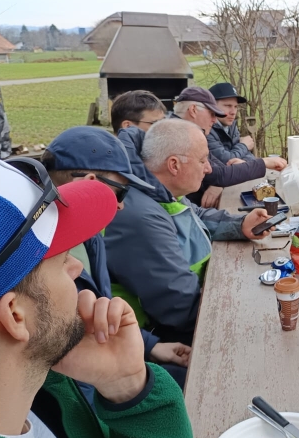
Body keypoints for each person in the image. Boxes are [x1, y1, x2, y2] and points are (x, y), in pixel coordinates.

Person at [0, 154, 193, 438]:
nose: (76, 267)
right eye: (62, 258)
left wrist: (125, 385)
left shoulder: (35, 396)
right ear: (15, 315)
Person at [41, 127, 191, 389]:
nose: (121, 205)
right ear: (88, 184)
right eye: (121, 192)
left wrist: (152, 346)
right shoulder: (39, 259)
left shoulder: (90, 236)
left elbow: (99, 312)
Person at [105, 118, 275, 345]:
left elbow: (195, 214)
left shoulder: (158, 191)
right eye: (203, 160)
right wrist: (245, 313)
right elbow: (179, 305)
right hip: (161, 336)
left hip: (195, 303)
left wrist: (240, 224)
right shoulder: (142, 218)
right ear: (174, 165)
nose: (209, 168)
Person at [172, 87, 286, 208]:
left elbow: (221, 170)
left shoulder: (185, 131)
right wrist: (263, 162)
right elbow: (220, 174)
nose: (214, 119)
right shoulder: (180, 136)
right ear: (193, 110)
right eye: (211, 114)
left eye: (235, 107)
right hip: (190, 208)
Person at [207, 82, 257, 163]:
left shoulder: (231, 126)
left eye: (235, 106)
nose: (233, 112)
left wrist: (244, 162)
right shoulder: (207, 130)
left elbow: (250, 158)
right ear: (212, 106)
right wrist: (244, 146)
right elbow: (227, 160)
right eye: (228, 106)